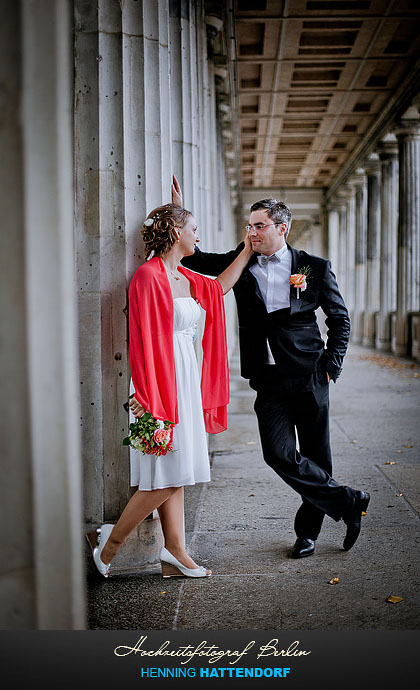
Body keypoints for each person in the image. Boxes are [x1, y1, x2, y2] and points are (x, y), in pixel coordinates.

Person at [173, 178, 370, 559]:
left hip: (310, 373)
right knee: (277, 453)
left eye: (260, 226)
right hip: (268, 377)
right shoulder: (243, 260)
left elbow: (340, 319)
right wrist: (179, 216)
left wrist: (332, 364)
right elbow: (194, 259)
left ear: (283, 228)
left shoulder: (313, 267)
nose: (252, 232)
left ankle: (307, 534)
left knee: (317, 457)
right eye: (249, 226)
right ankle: (349, 501)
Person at [87, 202, 253, 578]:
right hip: (158, 382)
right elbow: (142, 342)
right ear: (176, 233)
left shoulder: (186, 276)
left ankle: (175, 552)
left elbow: (221, 286)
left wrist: (246, 249)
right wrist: (148, 400)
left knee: (174, 471)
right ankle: (111, 542)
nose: (198, 235)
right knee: (167, 472)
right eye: (193, 228)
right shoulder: (148, 276)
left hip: (184, 377)